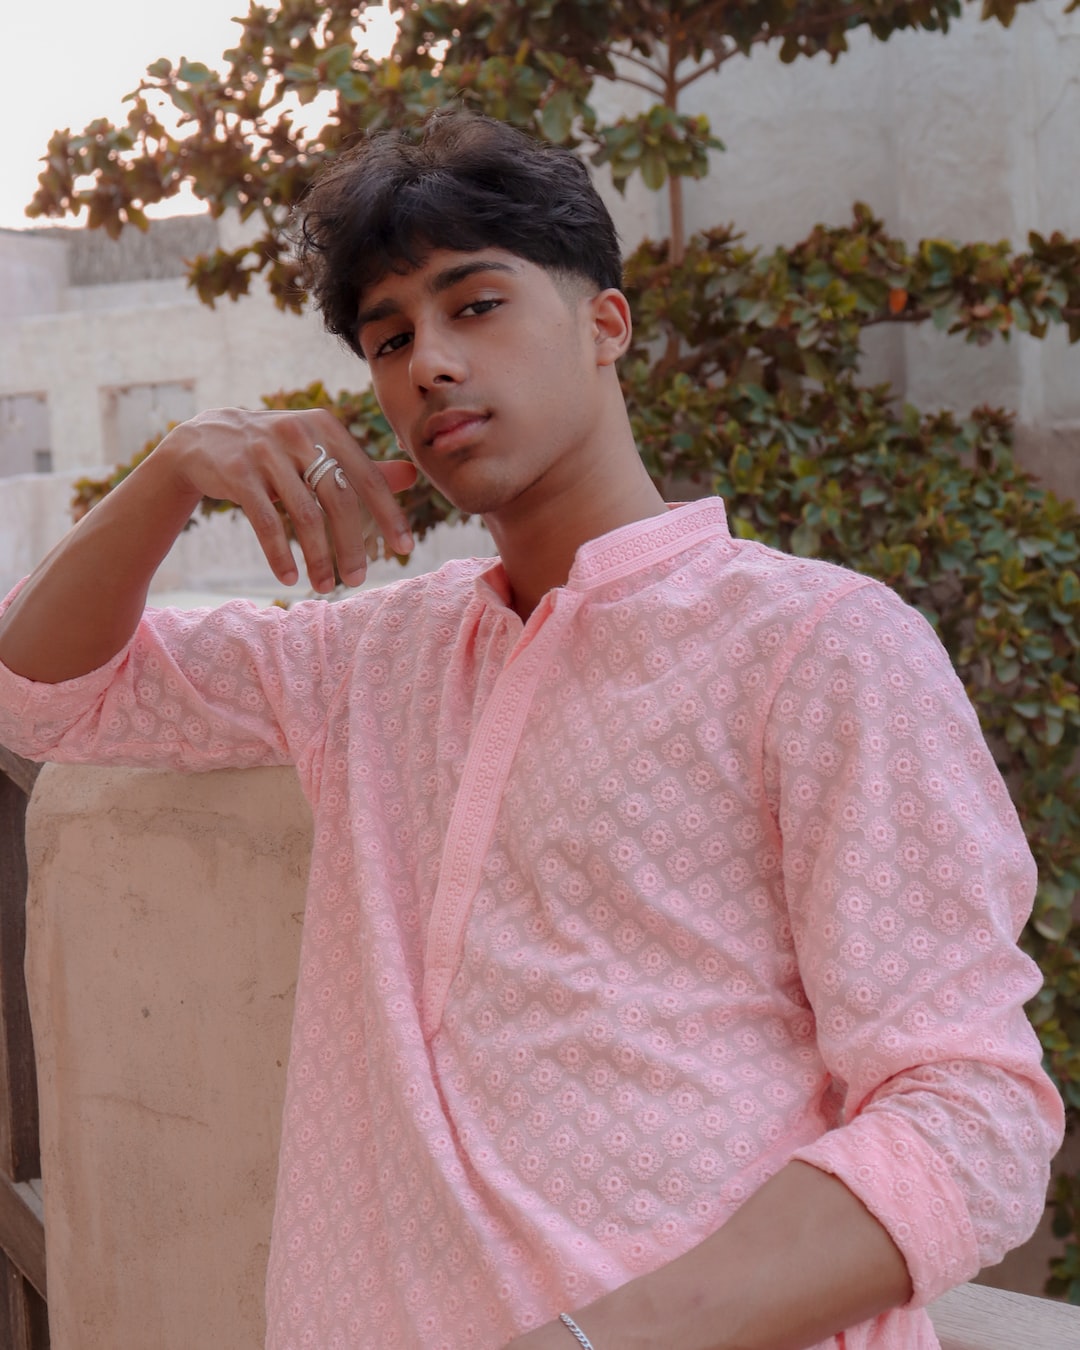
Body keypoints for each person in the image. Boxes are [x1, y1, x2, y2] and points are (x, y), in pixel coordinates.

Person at [0, 109, 1063, 1350]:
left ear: (606, 323)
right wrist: (174, 467)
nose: (430, 364)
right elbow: (41, 691)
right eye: (389, 338)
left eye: (477, 305)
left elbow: (970, 1113)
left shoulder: (818, 644)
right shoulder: (367, 660)